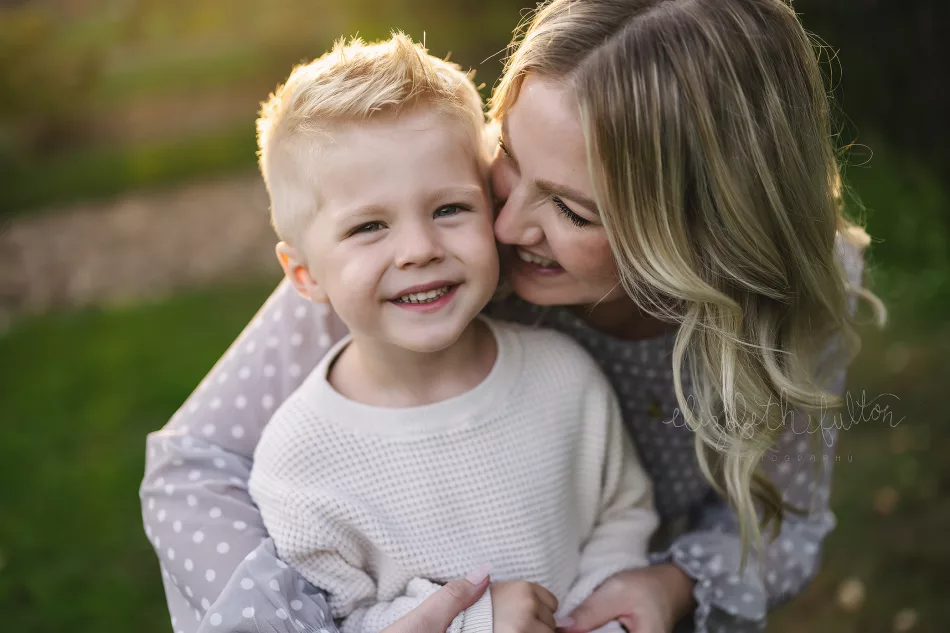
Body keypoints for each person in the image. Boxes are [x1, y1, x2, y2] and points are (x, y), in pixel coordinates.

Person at [140, 1, 883, 632]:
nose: (504, 223)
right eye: (510, 157)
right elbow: (191, 470)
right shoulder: (425, 256)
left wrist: (671, 584)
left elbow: (786, 520)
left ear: (698, 235)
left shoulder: (787, 296)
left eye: (569, 208)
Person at [247, 33, 657, 633]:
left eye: (449, 210)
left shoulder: (564, 375)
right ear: (305, 275)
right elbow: (337, 618)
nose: (418, 250)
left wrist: (599, 617)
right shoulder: (300, 459)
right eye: (368, 227)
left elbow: (620, 515)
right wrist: (477, 622)